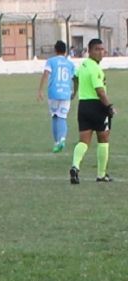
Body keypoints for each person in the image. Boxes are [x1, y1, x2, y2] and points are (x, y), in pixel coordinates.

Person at [70, 38, 115, 184]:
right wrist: (109, 107)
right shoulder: (95, 68)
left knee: (84, 141)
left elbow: (75, 77)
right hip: (97, 106)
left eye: (102, 49)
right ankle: (101, 175)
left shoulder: (83, 64)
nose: (101, 52)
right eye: (97, 49)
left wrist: (74, 92)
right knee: (103, 139)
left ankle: (75, 166)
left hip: (83, 106)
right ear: (89, 51)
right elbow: (100, 91)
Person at [37, 41, 76, 153]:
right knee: (62, 117)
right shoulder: (70, 64)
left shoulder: (51, 61)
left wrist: (40, 90)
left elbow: (45, 74)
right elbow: (74, 79)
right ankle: (62, 138)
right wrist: (74, 92)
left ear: (55, 50)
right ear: (65, 51)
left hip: (53, 92)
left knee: (54, 116)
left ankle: (56, 142)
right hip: (66, 93)